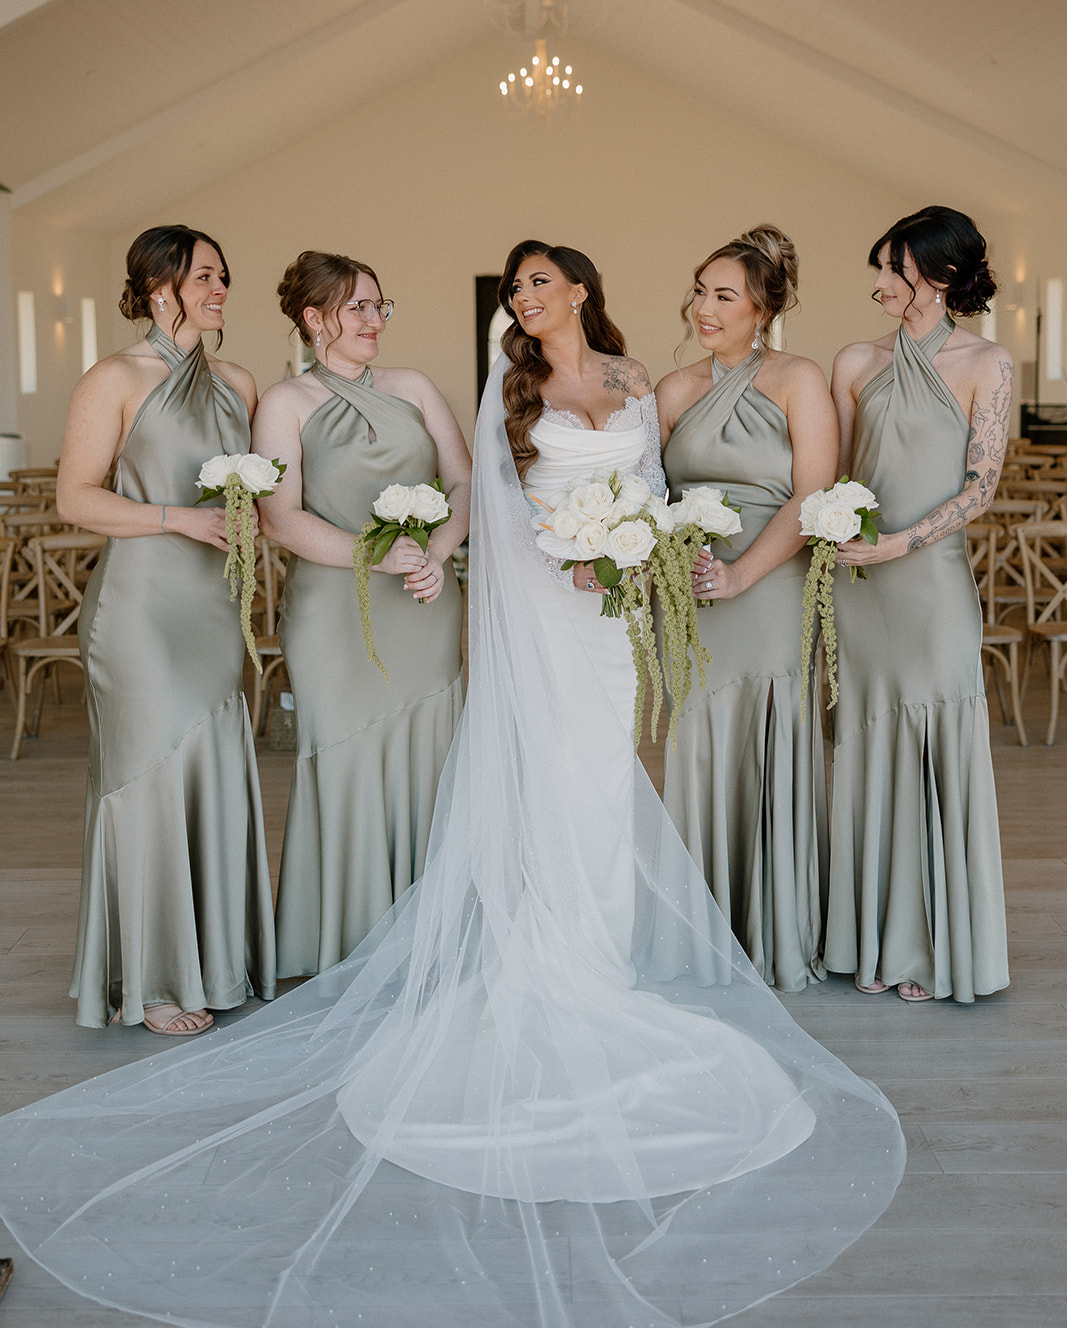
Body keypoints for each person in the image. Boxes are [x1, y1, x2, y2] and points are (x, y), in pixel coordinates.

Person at [0, 242, 904, 1328]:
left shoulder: (636, 383)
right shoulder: (495, 388)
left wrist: (631, 554)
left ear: (579, 288)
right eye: (511, 285)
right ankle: (526, 952)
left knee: (603, 782)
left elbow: (654, 488)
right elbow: (508, 507)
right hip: (529, 605)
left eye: (539, 281)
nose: (522, 299)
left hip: (608, 613)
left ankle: (599, 950)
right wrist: (530, 558)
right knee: (544, 774)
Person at [56, 224, 275, 1034]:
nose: (221, 290)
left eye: (223, 275)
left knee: (208, 768)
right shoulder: (115, 376)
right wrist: (178, 517)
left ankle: (216, 959)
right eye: (205, 277)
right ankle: (149, 980)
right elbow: (76, 498)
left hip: (216, 606)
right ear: (160, 289)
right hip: (142, 608)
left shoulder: (240, 381)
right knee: (148, 776)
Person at [253, 251, 470, 973]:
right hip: (332, 612)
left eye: (380, 306)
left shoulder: (411, 386)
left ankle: (431, 941)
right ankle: (341, 944)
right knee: (344, 763)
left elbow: (464, 479)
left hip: (423, 602)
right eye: (358, 308)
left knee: (429, 762)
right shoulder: (285, 403)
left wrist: (437, 552)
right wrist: (373, 557)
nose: (374, 320)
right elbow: (279, 519)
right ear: (314, 319)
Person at [824, 206, 1012, 1003]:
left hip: (929, 582)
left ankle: (931, 946)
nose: (878, 284)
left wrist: (899, 544)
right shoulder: (853, 361)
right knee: (866, 750)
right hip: (856, 586)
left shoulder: (986, 362)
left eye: (893, 270)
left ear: (938, 276)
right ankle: (871, 941)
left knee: (933, 743)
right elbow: (832, 472)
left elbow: (982, 485)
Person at [656, 226, 838, 990]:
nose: (703, 306)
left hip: (769, 587)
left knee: (770, 738)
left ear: (760, 309)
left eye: (722, 295)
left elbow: (812, 494)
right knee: (698, 743)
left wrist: (739, 578)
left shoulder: (797, 379)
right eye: (699, 290)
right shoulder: (671, 391)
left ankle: (775, 930)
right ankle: (700, 934)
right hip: (689, 591)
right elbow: (650, 493)